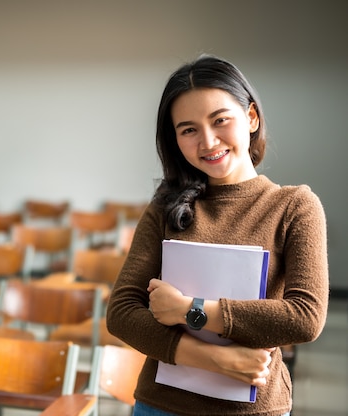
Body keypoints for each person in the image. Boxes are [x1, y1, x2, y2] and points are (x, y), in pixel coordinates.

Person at [106, 55, 328, 416]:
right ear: (175, 139)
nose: (208, 142)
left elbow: (304, 316)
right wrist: (215, 359)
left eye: (220, 120)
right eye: (189, 129)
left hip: (254, 408)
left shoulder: (294, 205)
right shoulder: (166, 205)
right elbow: (121, 312)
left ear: (251, 117)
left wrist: (190, 310)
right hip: (160, 405)